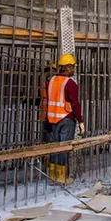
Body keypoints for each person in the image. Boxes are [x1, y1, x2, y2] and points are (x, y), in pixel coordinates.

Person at [46, 53, 84, 184]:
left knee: (55, 147)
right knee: (64, 148)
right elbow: (75, 104)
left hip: (52, 120)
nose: (74, 70)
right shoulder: (70, 83)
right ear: (67, 68)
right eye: (73, 67)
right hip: (67, 118)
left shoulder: (51, 81)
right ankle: (61, 178)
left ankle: (52, 177)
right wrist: (81, 121)